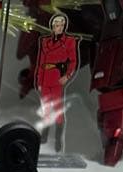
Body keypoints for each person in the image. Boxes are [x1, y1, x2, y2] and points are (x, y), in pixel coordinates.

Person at [34, 12, 78, 152]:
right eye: (57, 25)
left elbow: (73, 61)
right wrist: (39, 81)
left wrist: (67, 76)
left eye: (61, 25)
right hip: (45, 78)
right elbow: (41, 62)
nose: (59, 27)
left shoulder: (69, 41)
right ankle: (44, 136)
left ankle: (58, 140)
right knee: (46, 109)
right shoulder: (45, 41)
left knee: (58, 110)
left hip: (57, 78)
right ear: (52, 26)